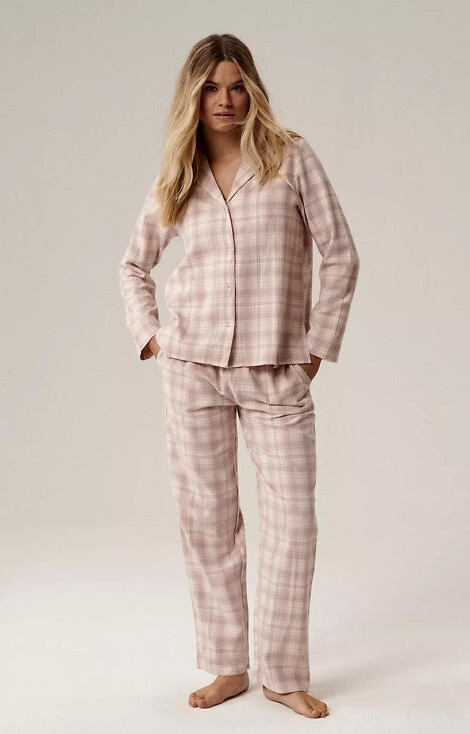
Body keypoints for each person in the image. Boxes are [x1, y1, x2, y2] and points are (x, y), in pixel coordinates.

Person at [119, 33, 360, 719]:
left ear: (252, 90)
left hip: (275, 369)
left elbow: (341, 254)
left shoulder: (290, 157)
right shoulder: (178, 172)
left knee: (293, 522)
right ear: (192, 97)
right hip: (193, 369)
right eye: (210, 88)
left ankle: (282, 673)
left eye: (234, 86)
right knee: (208, 519)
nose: (224, 100)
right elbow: (133, 264)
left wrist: (316, 347)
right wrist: (154, 338)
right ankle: (228, 665)